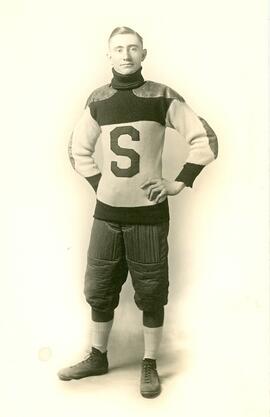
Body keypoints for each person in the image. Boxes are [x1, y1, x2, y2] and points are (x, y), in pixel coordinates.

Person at [57, 26, 218, 398]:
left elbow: (204, 139)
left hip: (148, 216)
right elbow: (77, 150)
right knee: (98, 289)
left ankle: (149, 363)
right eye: (118, 49)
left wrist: (178, 182)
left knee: (151, 291)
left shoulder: (161, 96)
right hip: (106, 218)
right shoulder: (98, 100)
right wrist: (104, 187)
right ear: (108, 56)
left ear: (144, 54)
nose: (126, 55)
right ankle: (97, 355)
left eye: (133, 48)